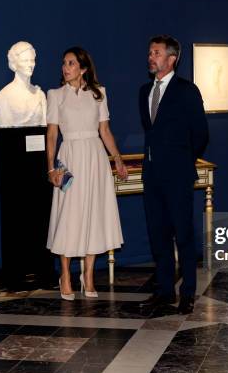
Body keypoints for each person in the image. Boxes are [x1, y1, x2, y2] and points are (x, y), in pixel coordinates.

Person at [46, 46, 128, 300]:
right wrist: (51, 167)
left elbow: (105, 131)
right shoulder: (55, 95)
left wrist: (118, 159)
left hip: (95, 158)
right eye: (63, 63)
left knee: (94, 213)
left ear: (83, 68)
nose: (65, 67)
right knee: (68, 215)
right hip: (68, 158)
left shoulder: (99, 94)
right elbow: (51, 135)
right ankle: (66, 275)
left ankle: (88, 275)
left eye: (70, 63)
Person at [138, 35, 209, 314]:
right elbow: (151, 132)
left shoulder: (187, 91)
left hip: (178, 175)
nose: (150, 57)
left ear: (171, 59)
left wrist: (182, 161)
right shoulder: (144, 91)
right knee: (158, 234)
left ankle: (187, 293)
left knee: (183, 235)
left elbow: (201, 134)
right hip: (152, 174)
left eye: (156, 52)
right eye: (150, 52)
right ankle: (164, 291)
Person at [0, 41, 47, 127]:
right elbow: (5, 136)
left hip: (36, 140)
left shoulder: (40, 95)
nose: (30, 65)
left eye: (32, 60)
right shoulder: (3, 96)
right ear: (14, 63)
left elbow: (44, 129)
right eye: (25, 61)